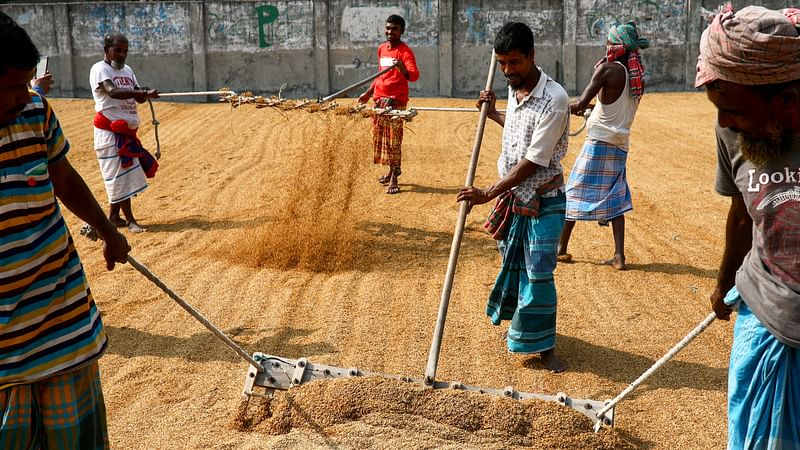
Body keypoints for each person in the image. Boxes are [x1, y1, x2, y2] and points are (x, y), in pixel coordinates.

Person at [0, 12, 131, 448]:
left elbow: (65, 179)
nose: (26, 94)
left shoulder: (35, 112)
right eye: (13, 87)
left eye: (27, 83)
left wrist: (108, 232)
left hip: (65, 326)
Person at [695, 5, 800, 449]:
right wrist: (723, 281)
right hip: (764, 312)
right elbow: (741, 213)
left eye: (734, 111)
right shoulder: (732, 134)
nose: (723, 124)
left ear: (788, 100)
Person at [457, 22, 570, 373]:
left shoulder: (555, 99)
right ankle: (527, 331)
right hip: (512, 198)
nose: (508, 71)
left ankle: (544, 345)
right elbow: (522, 129)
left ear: (532, 56)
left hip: (543, 200)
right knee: (516, 266)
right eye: (502, 63)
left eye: (515, 62)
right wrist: (492, 114)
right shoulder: (514, 88)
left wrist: (487, 193)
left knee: (538, 272)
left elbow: (535, 159)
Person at [557, 22, 648, 271]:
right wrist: (591, 109)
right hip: (620, 143)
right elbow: (612, 107)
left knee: (573, 191)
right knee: (614, 195)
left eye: (609, 42)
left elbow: (581, 102)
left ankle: (561, 248)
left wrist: (557, 108)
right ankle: (619, 255)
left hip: (598, 142)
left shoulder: (607, 70)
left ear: (615, 46)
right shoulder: (635, 75)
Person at [89, 33, 159, 233]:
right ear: (106, 50)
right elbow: (112, 91)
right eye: (117, 50)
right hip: (110, 133)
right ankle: (130, 221)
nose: (122, 55)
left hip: (125, 133)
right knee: (120, 176)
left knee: (122, 175)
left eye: (125, 51)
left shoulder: (127, 70)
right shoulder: (99, 69)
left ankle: (114, 217)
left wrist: (146, 92)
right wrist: (140, 93)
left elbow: (138, 97)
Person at [358, 14, 419, 195]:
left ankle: (394, 178)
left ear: (402, 31)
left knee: (393, 141)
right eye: (388, 28)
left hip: (396, 102)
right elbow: (379, 75)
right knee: (381, 138)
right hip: (379, 100)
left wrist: (403, 69)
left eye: (394, 29)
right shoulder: (382, 48)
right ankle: (392, 169)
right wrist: (368, 93)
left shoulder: (405, 52)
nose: (390, 32)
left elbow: (414, 76)